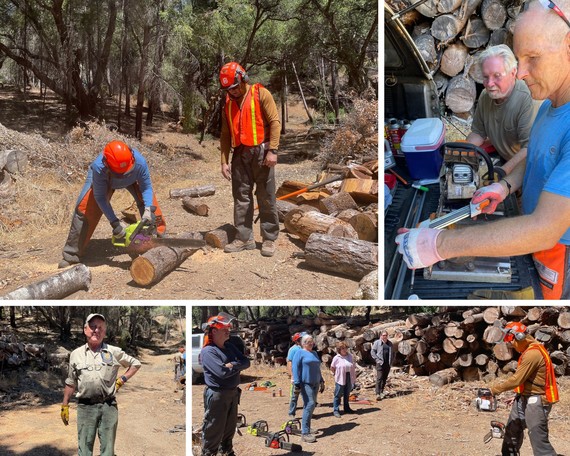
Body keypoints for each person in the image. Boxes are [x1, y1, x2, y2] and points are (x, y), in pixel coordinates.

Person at [396, 0, 570, 300]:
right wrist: (504, 186)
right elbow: (538, 159)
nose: (523, 72)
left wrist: (437, 245)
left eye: (533, 57)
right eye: (519, 58)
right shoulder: (550, 107)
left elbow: (545, 229)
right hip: (531, 236)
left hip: (559, 253)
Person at [58, 140, 166, 268]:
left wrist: (149, 209)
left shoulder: (139, 162)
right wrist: (115, 222)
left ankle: (158, 238)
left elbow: (146, 188)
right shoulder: (99, 167)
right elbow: (100, 197)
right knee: (85, 207)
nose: (123, 175)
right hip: (106, 181)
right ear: (107, 165)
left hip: (133, 180)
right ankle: (72, 254)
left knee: (151, 204)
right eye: (120, 173)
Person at [218, 62, 281, 257]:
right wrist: (224, 161)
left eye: (236, 86)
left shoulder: (261, 94)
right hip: (240, 154)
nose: (234, 91)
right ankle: (244, 238)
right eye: (229, 89)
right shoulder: (228, 104)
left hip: (262, 151)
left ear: (243, 78)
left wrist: (273, 151)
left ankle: (269, 238)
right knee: (241, 196)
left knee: (265, 195)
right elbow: (225, 134)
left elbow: (275, 122)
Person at [61, 313, 141, 456]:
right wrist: (65, 405)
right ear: (85, 329)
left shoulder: (113, 352)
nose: (96, 330)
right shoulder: (76, 354)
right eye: (92, 327)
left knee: (108, 450)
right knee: (84, 450)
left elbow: (135, 364)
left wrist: (121, 380)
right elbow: (71, 381)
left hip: (108, 407)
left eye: (100, 328)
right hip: (85, 408)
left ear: (104, 332)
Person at [466, 44, 540, 174]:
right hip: (505, 160)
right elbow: (478, 133)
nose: (489, 84)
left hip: (528, 168)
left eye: (497, 75)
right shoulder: (485, 96)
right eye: (485, 77)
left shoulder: (526, 98)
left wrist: (502, 172)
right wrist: (461, 155)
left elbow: (529, 149)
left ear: (513, 73)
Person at [489, 321, 559, 455]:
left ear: (520, 337)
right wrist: (518, 394)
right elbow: (526, 380)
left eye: (512, 341)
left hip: (537, 401)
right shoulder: (529, 351)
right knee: (512, 430)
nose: (512, 346)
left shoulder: (533, 354)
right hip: (524, 398)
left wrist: (493, 390)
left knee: (538, 440)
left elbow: (516, 380)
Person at [200, 313, 250, 456]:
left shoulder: (229, 346)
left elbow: (246, 362)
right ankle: (209, 453)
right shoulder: (208, 351)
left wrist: (232, 365)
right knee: (214, 429)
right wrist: (237, 366)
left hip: (232, 393)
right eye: (224, 329)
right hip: (218, 395)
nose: (228, 331)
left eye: (228, 328)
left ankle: (227, 451)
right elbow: (222, 373)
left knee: (229, 428)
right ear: (214, 331)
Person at [292, 334, 324, 443]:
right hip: (305, 383)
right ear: (304, 343)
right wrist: (296, 383)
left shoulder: (314, 353)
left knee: (310, 405)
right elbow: (295, 368)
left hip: (316, 383)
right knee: (310, 404)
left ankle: (307, 427)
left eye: (312, 341)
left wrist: (322, 380)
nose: (311, 343)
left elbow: (317, 368)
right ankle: (305, 433)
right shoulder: (299, 353)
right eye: (309, 341)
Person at [330, 341, 356, 418]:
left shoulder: (350, 356)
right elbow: (332, 367)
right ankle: (336, 410)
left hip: (349, 375)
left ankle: (347, 408)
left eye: (345, 348)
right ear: (339, 350)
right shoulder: (336, 358)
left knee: (347, 393)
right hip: (340, 377)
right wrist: (336, 374)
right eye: (342, 348)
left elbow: (352, 366)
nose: (345, 350)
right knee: (338, 394)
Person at [371, 331, 394, 401]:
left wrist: (391, 361)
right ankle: (377, 393)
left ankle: (381, 392)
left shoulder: (390, 343)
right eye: (383, 335)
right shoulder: (377, 343)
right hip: (380, 363)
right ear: (381, 336)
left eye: (386, 335)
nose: (385, 336)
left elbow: (393, 353)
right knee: (379, 378)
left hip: (387, 364)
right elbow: (372, 352)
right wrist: (377, 360)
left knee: (384, 378)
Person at [287, 332, 305, 418]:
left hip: (304, 375)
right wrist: (292, 375)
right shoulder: (293, 349)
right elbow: (289, 362)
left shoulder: (305, 349)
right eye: (301, 339)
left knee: (306, 396)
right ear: (297, 341)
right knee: (294, 396)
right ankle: (291, 413)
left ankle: (307, 413)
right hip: (296, 376)